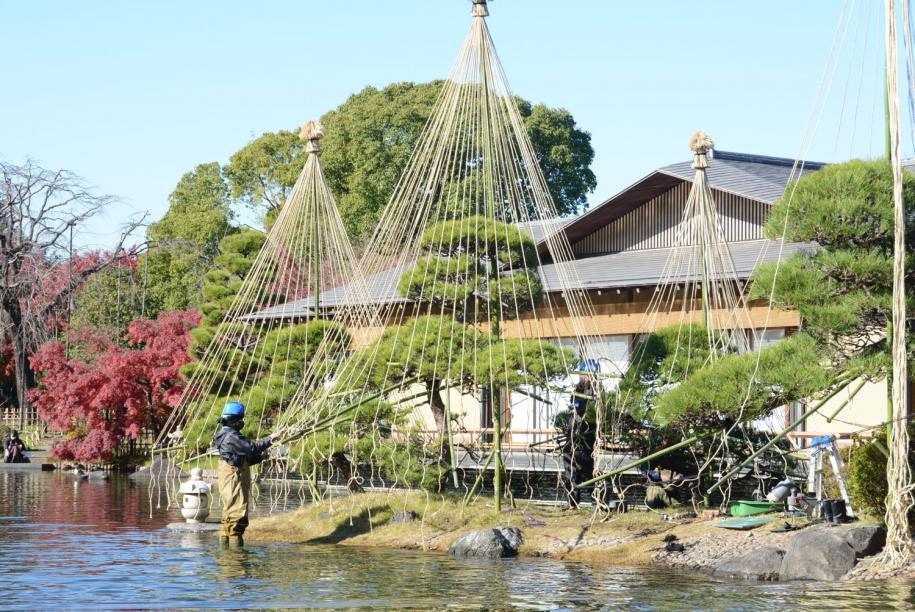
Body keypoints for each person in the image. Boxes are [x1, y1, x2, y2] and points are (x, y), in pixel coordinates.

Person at [212, 401, 283, 548]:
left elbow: (242, 458)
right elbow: (252, 447)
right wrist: (271, 439)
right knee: (237, 513)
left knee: (229, 513)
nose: (242, 423)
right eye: (240, 420)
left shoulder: (227, 435)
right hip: (234, 476)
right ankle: (236, 558)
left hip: (232, 472)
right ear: (233, 420)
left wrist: (261, 457)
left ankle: (226, 553)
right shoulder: (231, 436)